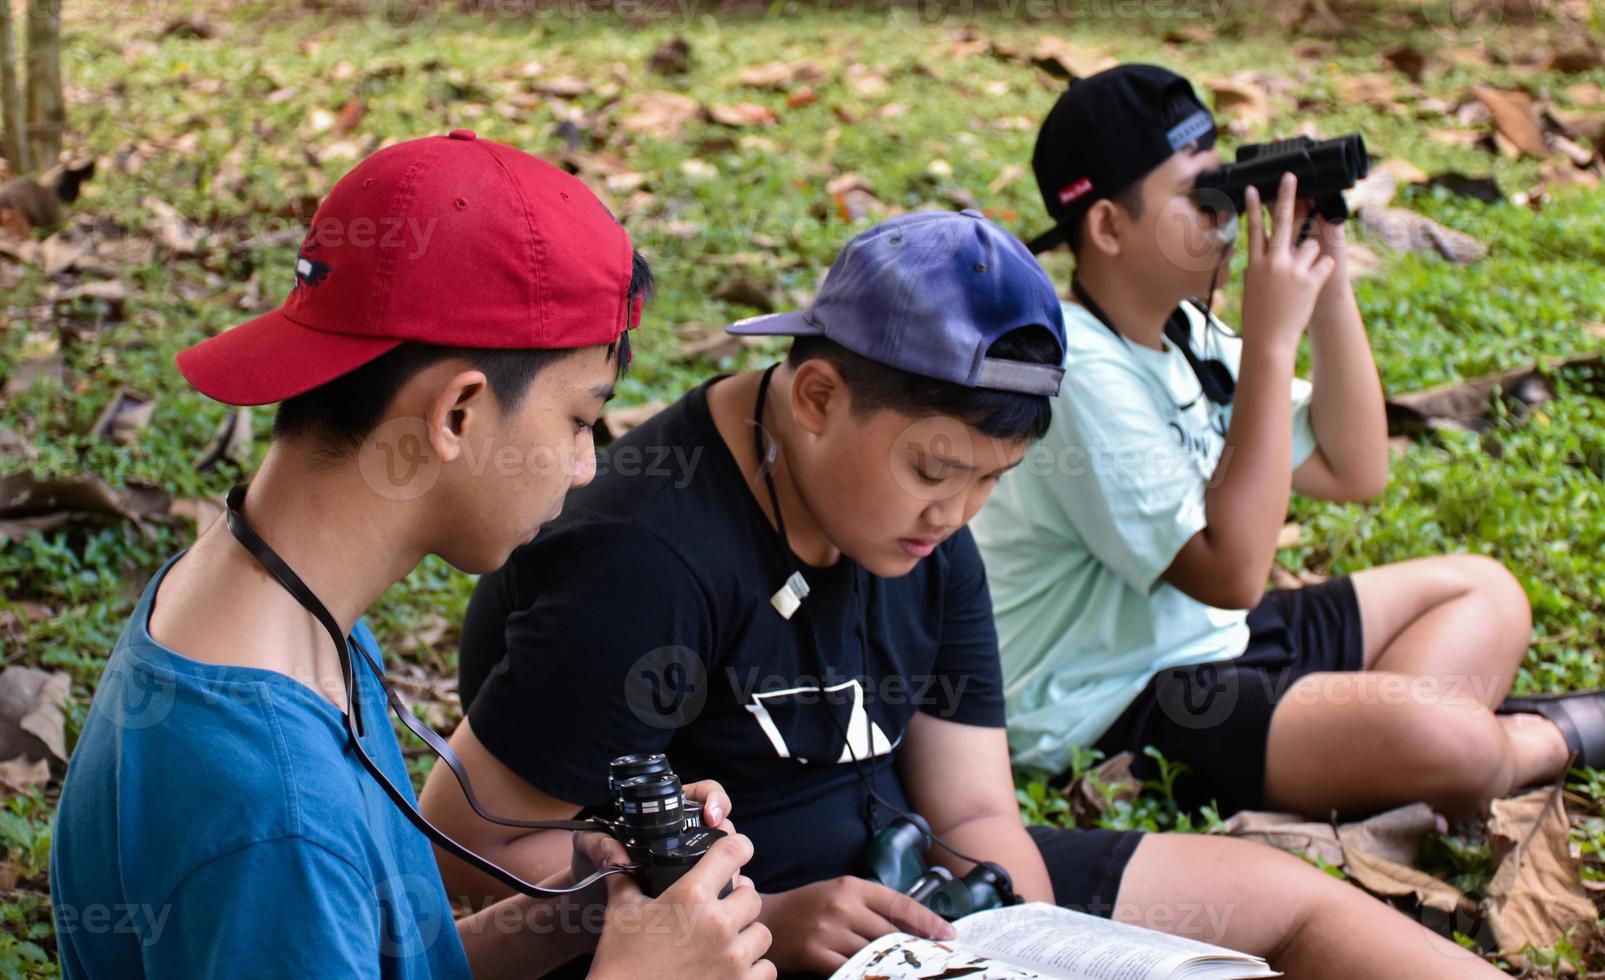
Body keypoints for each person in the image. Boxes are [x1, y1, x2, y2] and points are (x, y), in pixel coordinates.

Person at [420, 210, 1502, 978]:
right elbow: (463, 842)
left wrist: (1013, 917)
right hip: (729, 939)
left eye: (993, 482)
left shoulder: (929, 540)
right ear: (815, 395)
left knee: (1298, 908)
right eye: (936, 471)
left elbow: (975, 800)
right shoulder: (648, 559)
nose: (957, 514)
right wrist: (759, 918)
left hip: (922, 908)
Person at [50, 131, 771, 980]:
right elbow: (295, 877)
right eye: (580, 419)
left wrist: (571, 921)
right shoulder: (275, 813)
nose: (586, 466)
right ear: (459, 412)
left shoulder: (274, 607)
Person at [973, 63, 1586, 822]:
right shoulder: (1077, 369)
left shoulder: (1183, 333)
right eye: (1201, 198)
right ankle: (1522, 743)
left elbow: (1354, 468)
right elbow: (1230, 574)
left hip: (1225, 644)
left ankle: (1392, 762)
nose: (1227, 217)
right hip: (1117, 704)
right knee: (1440, 733)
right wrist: (1267, 344)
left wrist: (1328, 284)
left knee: (1484, 590)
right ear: (1106, 226)